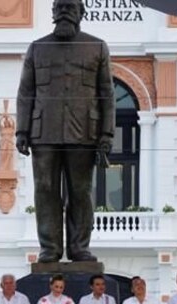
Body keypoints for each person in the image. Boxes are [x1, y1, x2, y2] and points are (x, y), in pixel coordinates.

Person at [16, 0, 114, 263]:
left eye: (70, 7)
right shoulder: (37, 48)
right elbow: (26, 92)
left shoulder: (97, 47)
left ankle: (79, 247)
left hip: (84, 133)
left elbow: (106, 93)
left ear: (81, 13)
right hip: (43, 132)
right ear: (52, 13)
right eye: (59, 7)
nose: (64, 12)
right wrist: (22, 130)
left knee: (80, 192)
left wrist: (106, 134)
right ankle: (50, 248)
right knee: (45, 189)